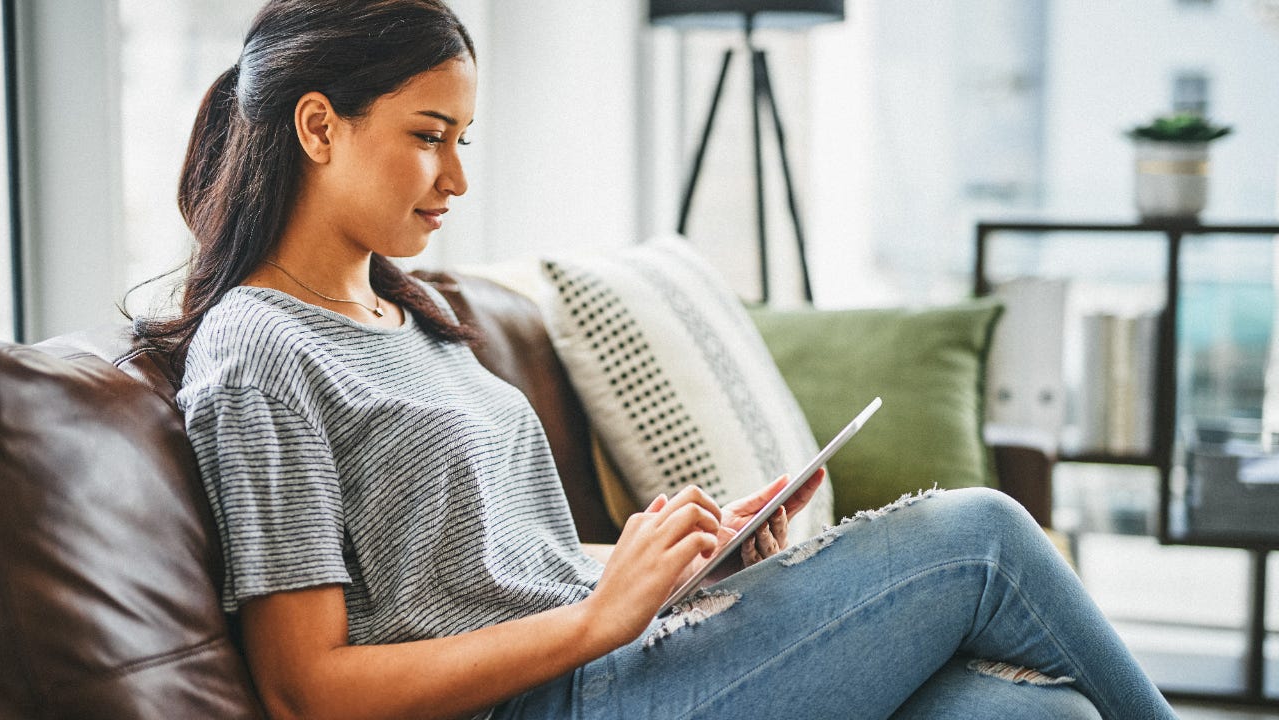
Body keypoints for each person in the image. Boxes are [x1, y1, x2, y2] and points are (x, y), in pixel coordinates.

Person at [141, 1, 1180, 718]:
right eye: (427, 134)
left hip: (623, 667)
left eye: (466, 137)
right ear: (318, 127)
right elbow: (302, 692)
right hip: (561, 703)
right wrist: (601, 619)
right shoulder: (258, 350)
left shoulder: (408, 316)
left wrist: (680, 574)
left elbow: (499, 582)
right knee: (983, 535)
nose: (456, 174)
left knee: (1032, 714)